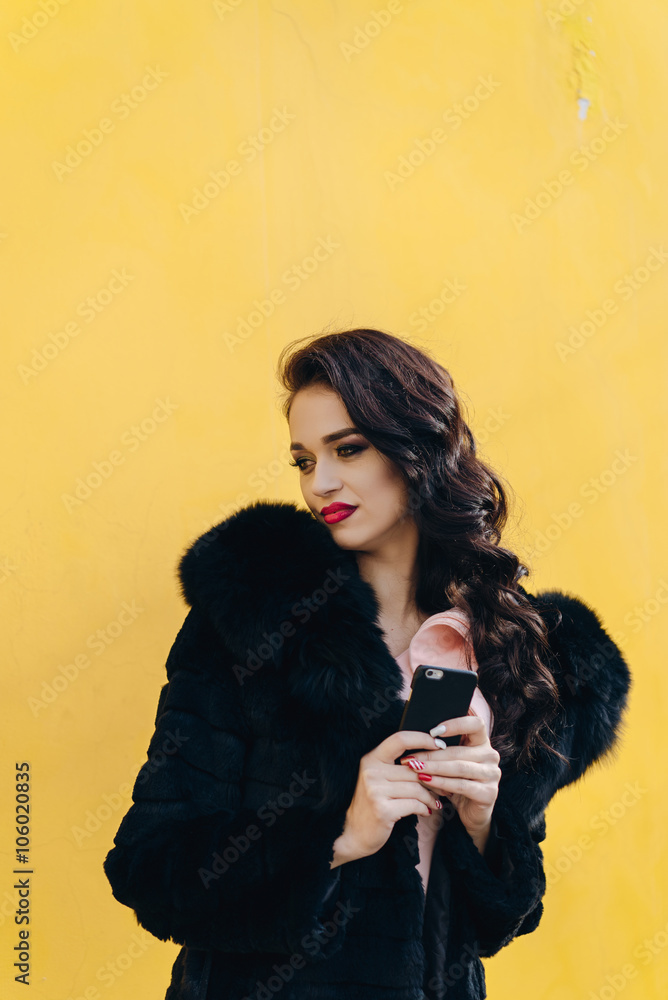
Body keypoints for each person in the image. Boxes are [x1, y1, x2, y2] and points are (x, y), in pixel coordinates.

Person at [103, 328, 632, 1000]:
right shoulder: (253, 619)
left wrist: (482, 822)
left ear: (417, 449)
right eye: (302, 460)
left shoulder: (506, 643)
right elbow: (150, 868)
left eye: (347, 449)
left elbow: (501, 922)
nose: (319, 483)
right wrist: (337, 834)